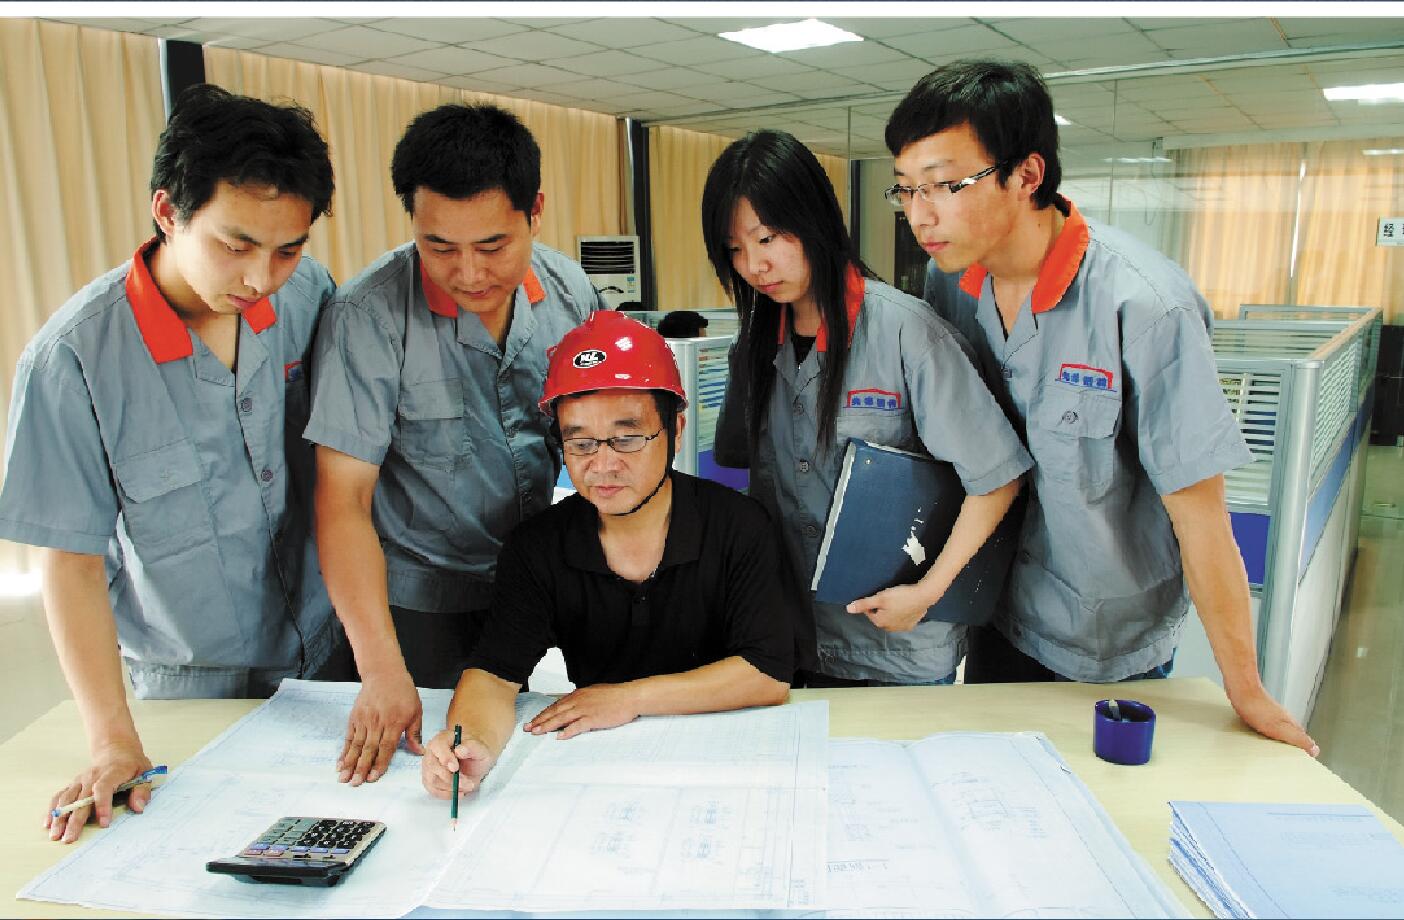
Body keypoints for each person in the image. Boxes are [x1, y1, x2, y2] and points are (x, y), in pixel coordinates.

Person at [885, 60, 1317, 754]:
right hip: (994, 611)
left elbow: (1202, 516)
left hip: (1107, 641)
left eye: (944, 185)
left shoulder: (1146, 306)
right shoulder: (949, 285)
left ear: (1027, 175)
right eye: (906, 189)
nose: (920, 214)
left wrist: (1247, 690)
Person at [0, 84, 342, 842]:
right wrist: (111, 740)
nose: (260, 279)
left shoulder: (309, 297)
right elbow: (70, 563)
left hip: (326, 656)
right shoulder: (73, 360)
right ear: (167, 212)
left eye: (287, 250)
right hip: (190, 685)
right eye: (234, 245)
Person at [305, 103, 607, 786]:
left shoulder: (569, 293)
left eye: (493, 246)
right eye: (439, 247)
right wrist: (382, 670)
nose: (469, 273)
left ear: (535, 211)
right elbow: (342, 500)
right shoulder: (370, 317)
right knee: (432, 777)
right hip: (423, 601)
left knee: (538, 757)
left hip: (536, 583)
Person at [701, 130, 1032, 688]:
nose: (754, 264)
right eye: (735, 249)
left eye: (768, 237)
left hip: (897, 646)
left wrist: (927, 593)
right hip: (796, 638)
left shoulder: (908, 334)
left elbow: (998, 478)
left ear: (812, 219)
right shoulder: (755, 346)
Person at [421, 311, 795, 798]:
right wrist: (472, 743)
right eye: (580, 443)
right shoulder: (540, 546)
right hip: (600, 769)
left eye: (627, 438)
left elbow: (766, 672)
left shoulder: (737, 525)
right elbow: (494, 674)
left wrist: (630, 698)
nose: (603, 465)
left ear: (677, 430)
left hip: (730, 758)